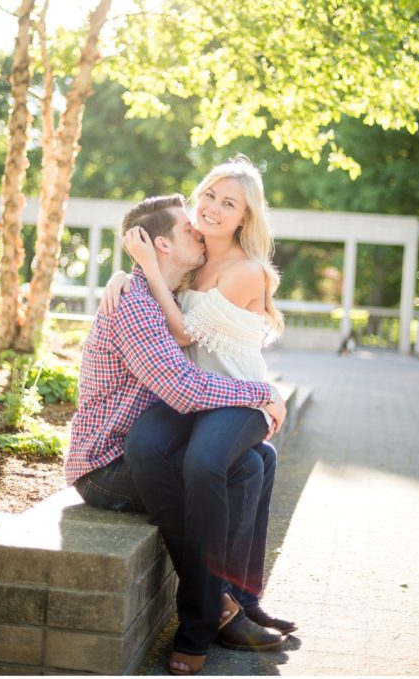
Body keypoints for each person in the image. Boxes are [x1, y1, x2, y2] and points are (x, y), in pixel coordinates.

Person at [65, 193, 289, 675]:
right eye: (189, 228)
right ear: (162, 244)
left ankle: (239, 603)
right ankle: (221, 607)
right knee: (240, 469)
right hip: (106, 465)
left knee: (257, 460)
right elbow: (184, 390)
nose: (199, 230)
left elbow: (193, 332)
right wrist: (260, 393)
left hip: (149, 443)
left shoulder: (168, 287)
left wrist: (130, 267)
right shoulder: (134, 302)